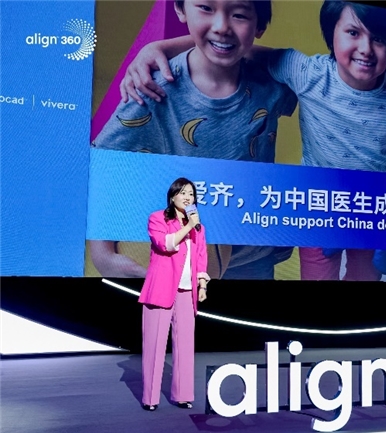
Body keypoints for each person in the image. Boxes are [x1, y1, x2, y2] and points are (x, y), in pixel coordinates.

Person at [121, 0, 386, 281]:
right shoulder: (307, 73)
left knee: (366, 278)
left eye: (378, 39)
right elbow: (236, 46)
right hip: (317, 205)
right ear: (332, 35)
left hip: (371, 208)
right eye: (353, 33)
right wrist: (159, 47)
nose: (366, 49)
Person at [90, 0, 297, 280]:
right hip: (181, 257)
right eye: (205, 8)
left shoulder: (273, 84)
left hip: (253, 256)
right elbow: (104, 165)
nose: (221, 26)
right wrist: (102, 254)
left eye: (239, 14)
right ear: (180, 9)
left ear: (259, 25)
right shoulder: (152, 88)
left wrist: (162, 46)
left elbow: (311, 73)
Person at [140, 178, 210, 411]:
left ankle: (183, 395)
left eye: (191, 194)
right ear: (172, 197)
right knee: (155, 345)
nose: (188, 197)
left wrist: (202, 285)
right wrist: (188, 227)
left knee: (185, 345)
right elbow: (164, 244)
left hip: (187, 291)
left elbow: (201, 257)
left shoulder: (199, 228)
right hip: (161, 289)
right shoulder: (158, 218)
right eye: (183, 193)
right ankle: (150, 399)